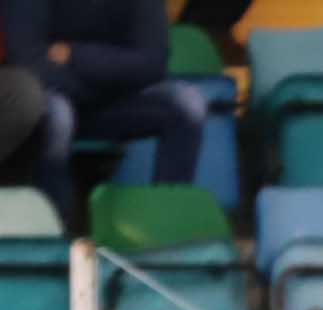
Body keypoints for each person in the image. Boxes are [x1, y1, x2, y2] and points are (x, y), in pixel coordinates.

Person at [6, 0, 208, 219]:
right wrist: (103, 77)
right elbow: (28, 62)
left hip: (114, 99)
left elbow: (152, 63)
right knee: (57, 114)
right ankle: (54, 232)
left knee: (188, 104)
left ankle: (168, 224)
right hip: (56, 97)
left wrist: (74, 55)